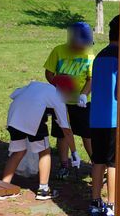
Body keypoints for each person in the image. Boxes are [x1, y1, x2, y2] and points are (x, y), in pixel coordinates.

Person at [0, 76, 81, 201]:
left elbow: (15, 94)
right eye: (69, 92)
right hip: (33, 121)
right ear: (63, 90)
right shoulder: (57, 97)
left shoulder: (36, 85)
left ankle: (3, 189)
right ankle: (43, 190)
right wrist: (74, 152)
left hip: (14, 118)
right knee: (45, 152)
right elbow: (66, 130)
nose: (69, 95)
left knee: (18, 152)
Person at [44, 22, 94, 179]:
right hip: (61, 101)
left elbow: (91, 78)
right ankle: (64, 165)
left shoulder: (89, 55)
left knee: (88, 134)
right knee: (62, 134)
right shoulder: (58, 51)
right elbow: (49, 73)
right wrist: (59, 86)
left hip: (82, 103)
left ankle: (96, 164)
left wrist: (84, 94)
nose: (84, 47)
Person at [88, 15, 119, 216]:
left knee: (98, 161)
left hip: (96, 117)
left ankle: (95, 201)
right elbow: (119, 92)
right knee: (113, 163)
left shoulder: (99, 56)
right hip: (113, 118)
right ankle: (112, 204)